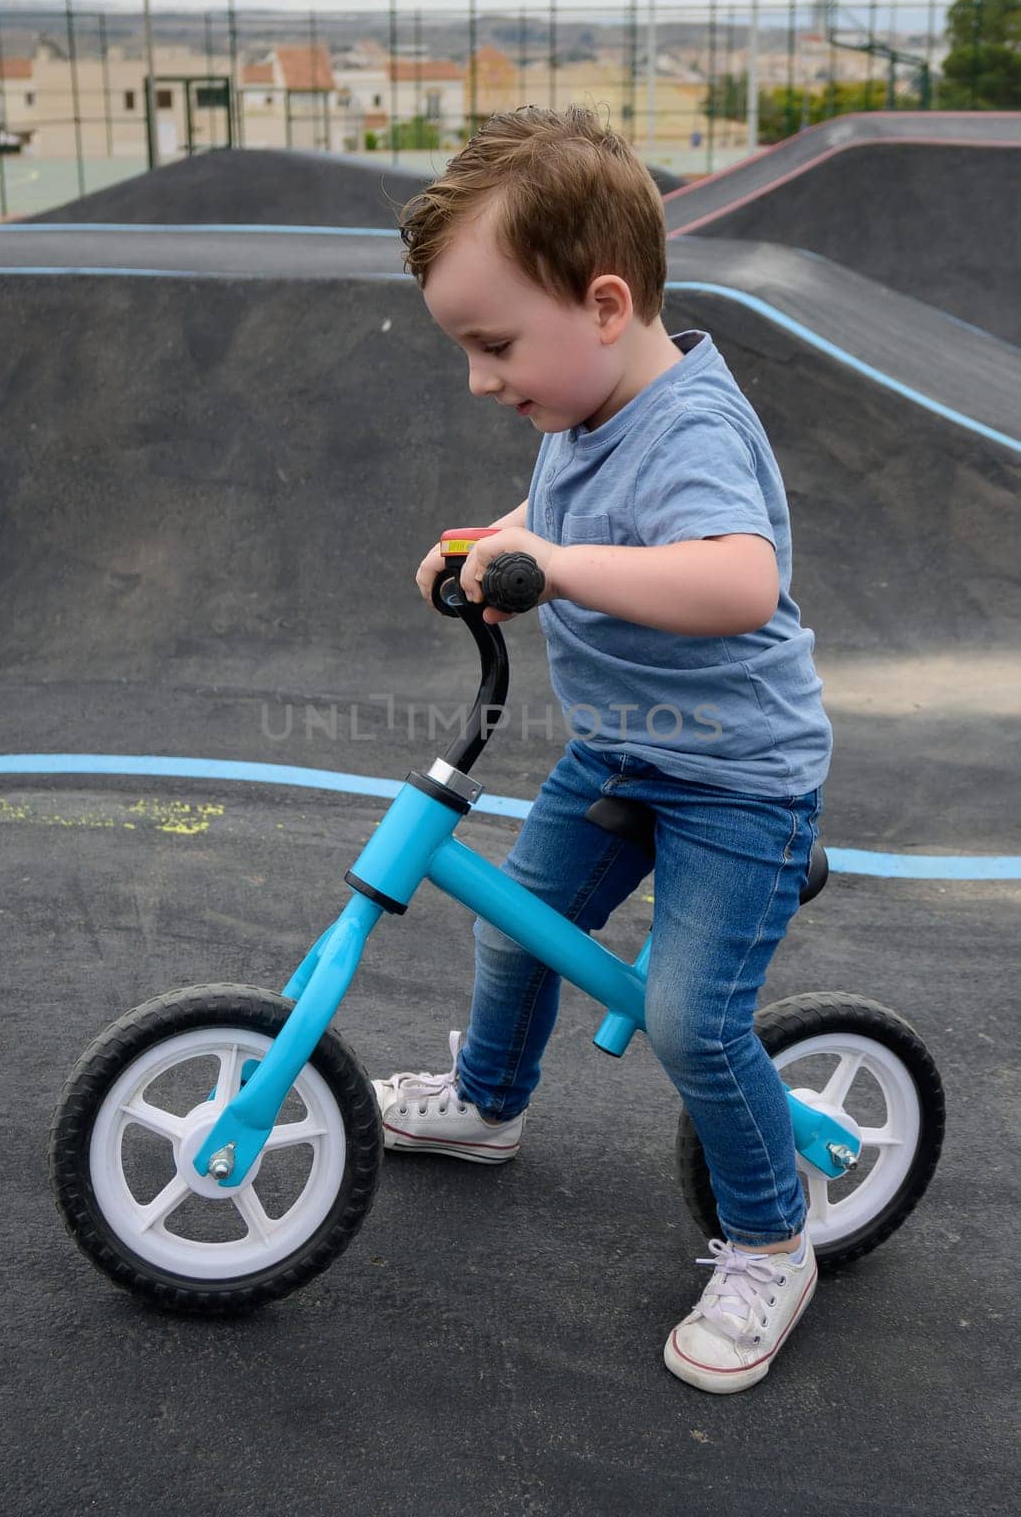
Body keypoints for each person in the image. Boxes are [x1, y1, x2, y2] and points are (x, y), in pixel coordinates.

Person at [372, 105, 832, 1394]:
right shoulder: (583, 410)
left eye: (495, 344)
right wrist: (490, 539)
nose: (482, 378)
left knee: (692, 1020)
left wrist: (555, 567)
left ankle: (771, 1238)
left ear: (607, 303)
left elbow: (738, 580)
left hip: (738, 780)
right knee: (514, 922)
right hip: (626, 754)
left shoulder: (692, 426)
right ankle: (489, 1101)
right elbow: (561, 503)